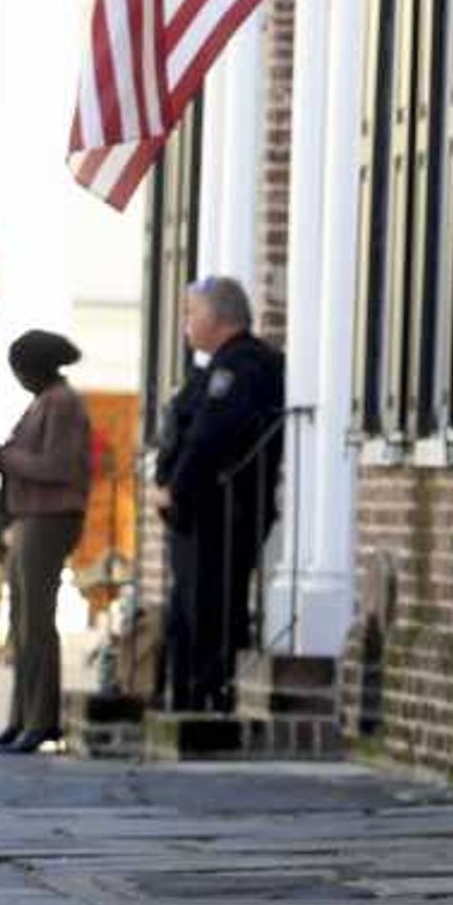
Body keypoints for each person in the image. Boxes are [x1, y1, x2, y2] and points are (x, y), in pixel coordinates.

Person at [153, 279, 284, 713]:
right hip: (199, 514)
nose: (185, 323)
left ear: (216, 317)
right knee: (186, 613)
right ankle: (188, 695)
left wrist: (176, 488)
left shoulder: (243, 366)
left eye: (191, 313)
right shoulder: (216, 366)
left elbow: (210, 436)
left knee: (210, 610)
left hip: (220, 512)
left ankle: (209, 697)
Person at [0, 329, 92, 753]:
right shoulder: (45, 402)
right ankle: (20, 718)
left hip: (50, 517)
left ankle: (40, 720)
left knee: (36, 622)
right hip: (29, 517)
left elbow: (57, 466)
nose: (19, 379)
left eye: (21, 371)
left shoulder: (62, 403)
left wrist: (1, 457)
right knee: (21, 623)